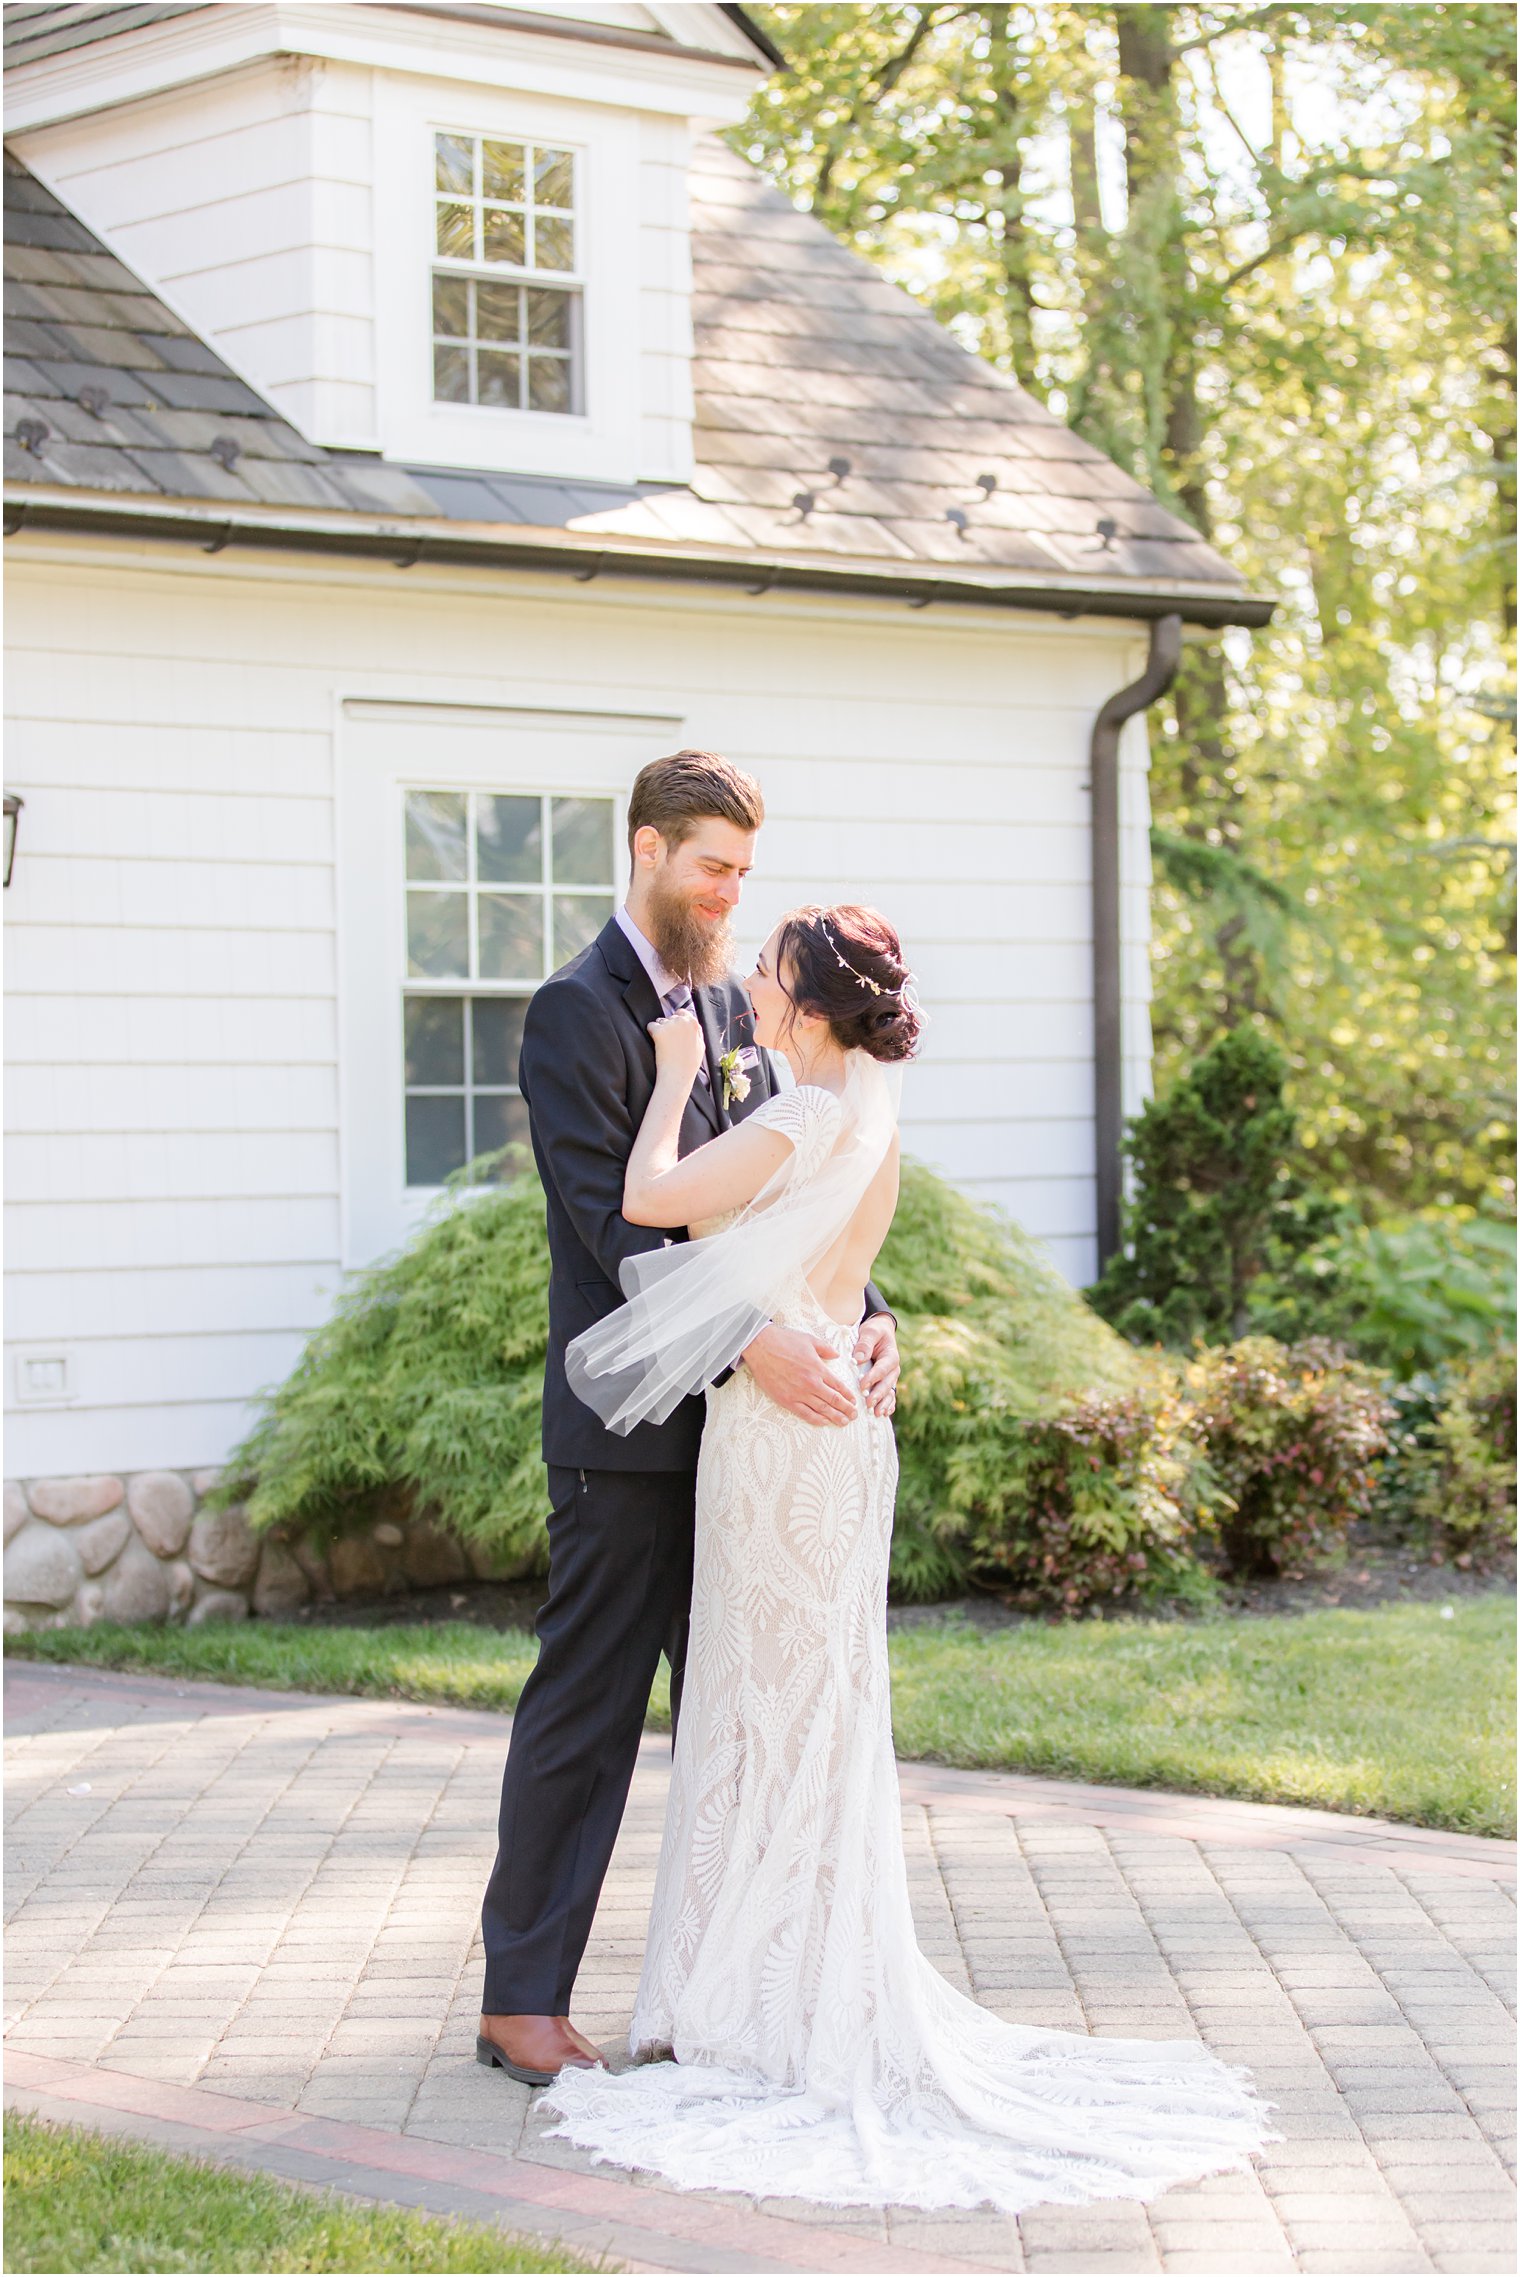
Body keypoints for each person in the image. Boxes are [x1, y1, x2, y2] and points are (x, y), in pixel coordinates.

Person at [538, 902, 1275, 2215]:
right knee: (807, 1708)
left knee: (762, 1711)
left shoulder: (799, 1115)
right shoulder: (854, 1119)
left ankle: (757, 2001)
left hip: (779, 1434)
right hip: (834, 1430)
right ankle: (776, 1986)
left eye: (770, 971)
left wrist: (663, 1082)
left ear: (812, 1005)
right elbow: (823, 1270)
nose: (752, 986)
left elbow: (649, 1196)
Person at [476, 751, 901, 2088]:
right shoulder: (572, 1013)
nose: (728, 894)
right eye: (711, 865)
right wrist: (752, 1343)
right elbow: (611, 1226)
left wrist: (870, 1318)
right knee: (587, 1709)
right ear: (649, 850)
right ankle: (522, 1999)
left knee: (746, 1716)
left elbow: (798, 1196)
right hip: (628, 1443)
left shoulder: (742, 1009)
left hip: (755, 1451)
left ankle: (746, 1996)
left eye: (743, 874)